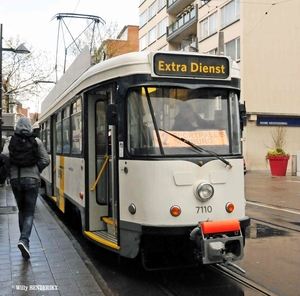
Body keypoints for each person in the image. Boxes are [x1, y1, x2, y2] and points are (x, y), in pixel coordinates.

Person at [2, 117, 50, 259]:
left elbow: (4, 155)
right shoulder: (36, 141)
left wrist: (12, 167)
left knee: (21, 210)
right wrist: (36, 169)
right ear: (29, 126)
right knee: (29, 211)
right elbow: (46, 160)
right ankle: (24, 240)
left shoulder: (10, 140)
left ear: (16, 126)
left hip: (16, 179)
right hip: (32, 179)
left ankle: (25, 243)